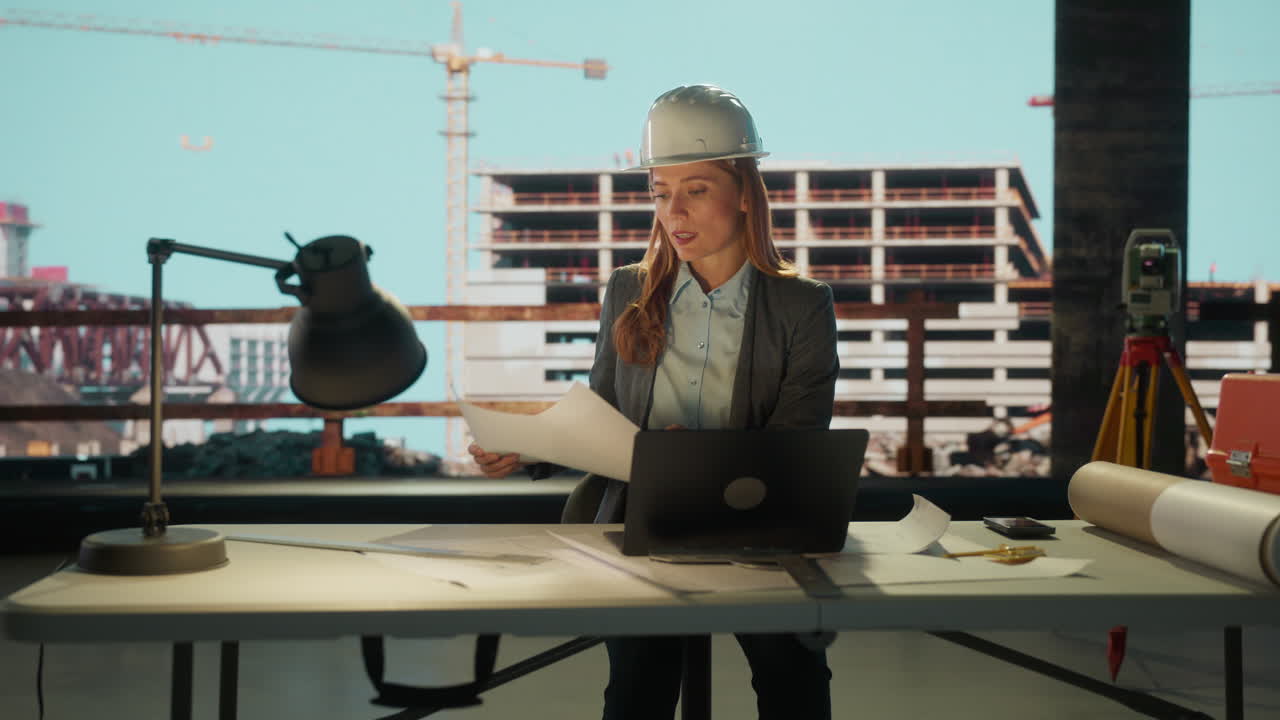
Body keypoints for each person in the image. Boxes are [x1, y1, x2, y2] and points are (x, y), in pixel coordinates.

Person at [468, 83, 839, 720]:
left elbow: (797, 441)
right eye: (661, 193)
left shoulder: (803, 304)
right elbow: (603, 413)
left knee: (793, 681)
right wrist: (527, 448)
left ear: (745, 194)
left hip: (758, 526)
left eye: (696, 190)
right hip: (642, 524)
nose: (675, 212)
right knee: (637, 691)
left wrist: (697, 457)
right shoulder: (629, 291)